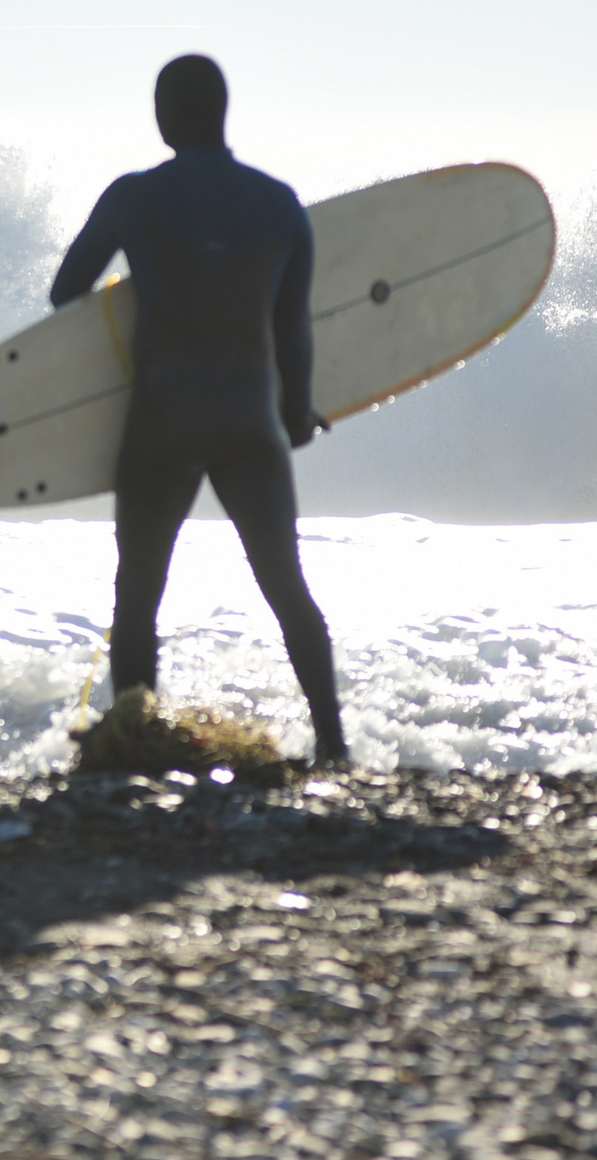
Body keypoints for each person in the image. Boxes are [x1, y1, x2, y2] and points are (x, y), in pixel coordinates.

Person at [49, 54, 350, 764]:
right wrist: (297, 412)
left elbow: (66, 292)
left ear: (165, 117)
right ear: (222, 112)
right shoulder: (280, 204)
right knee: (287, 586)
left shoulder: (133, 197)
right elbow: (293, 330)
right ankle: (333, 743)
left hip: (163, 418)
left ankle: (134, 739)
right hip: (249, 420)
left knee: (138, 595)